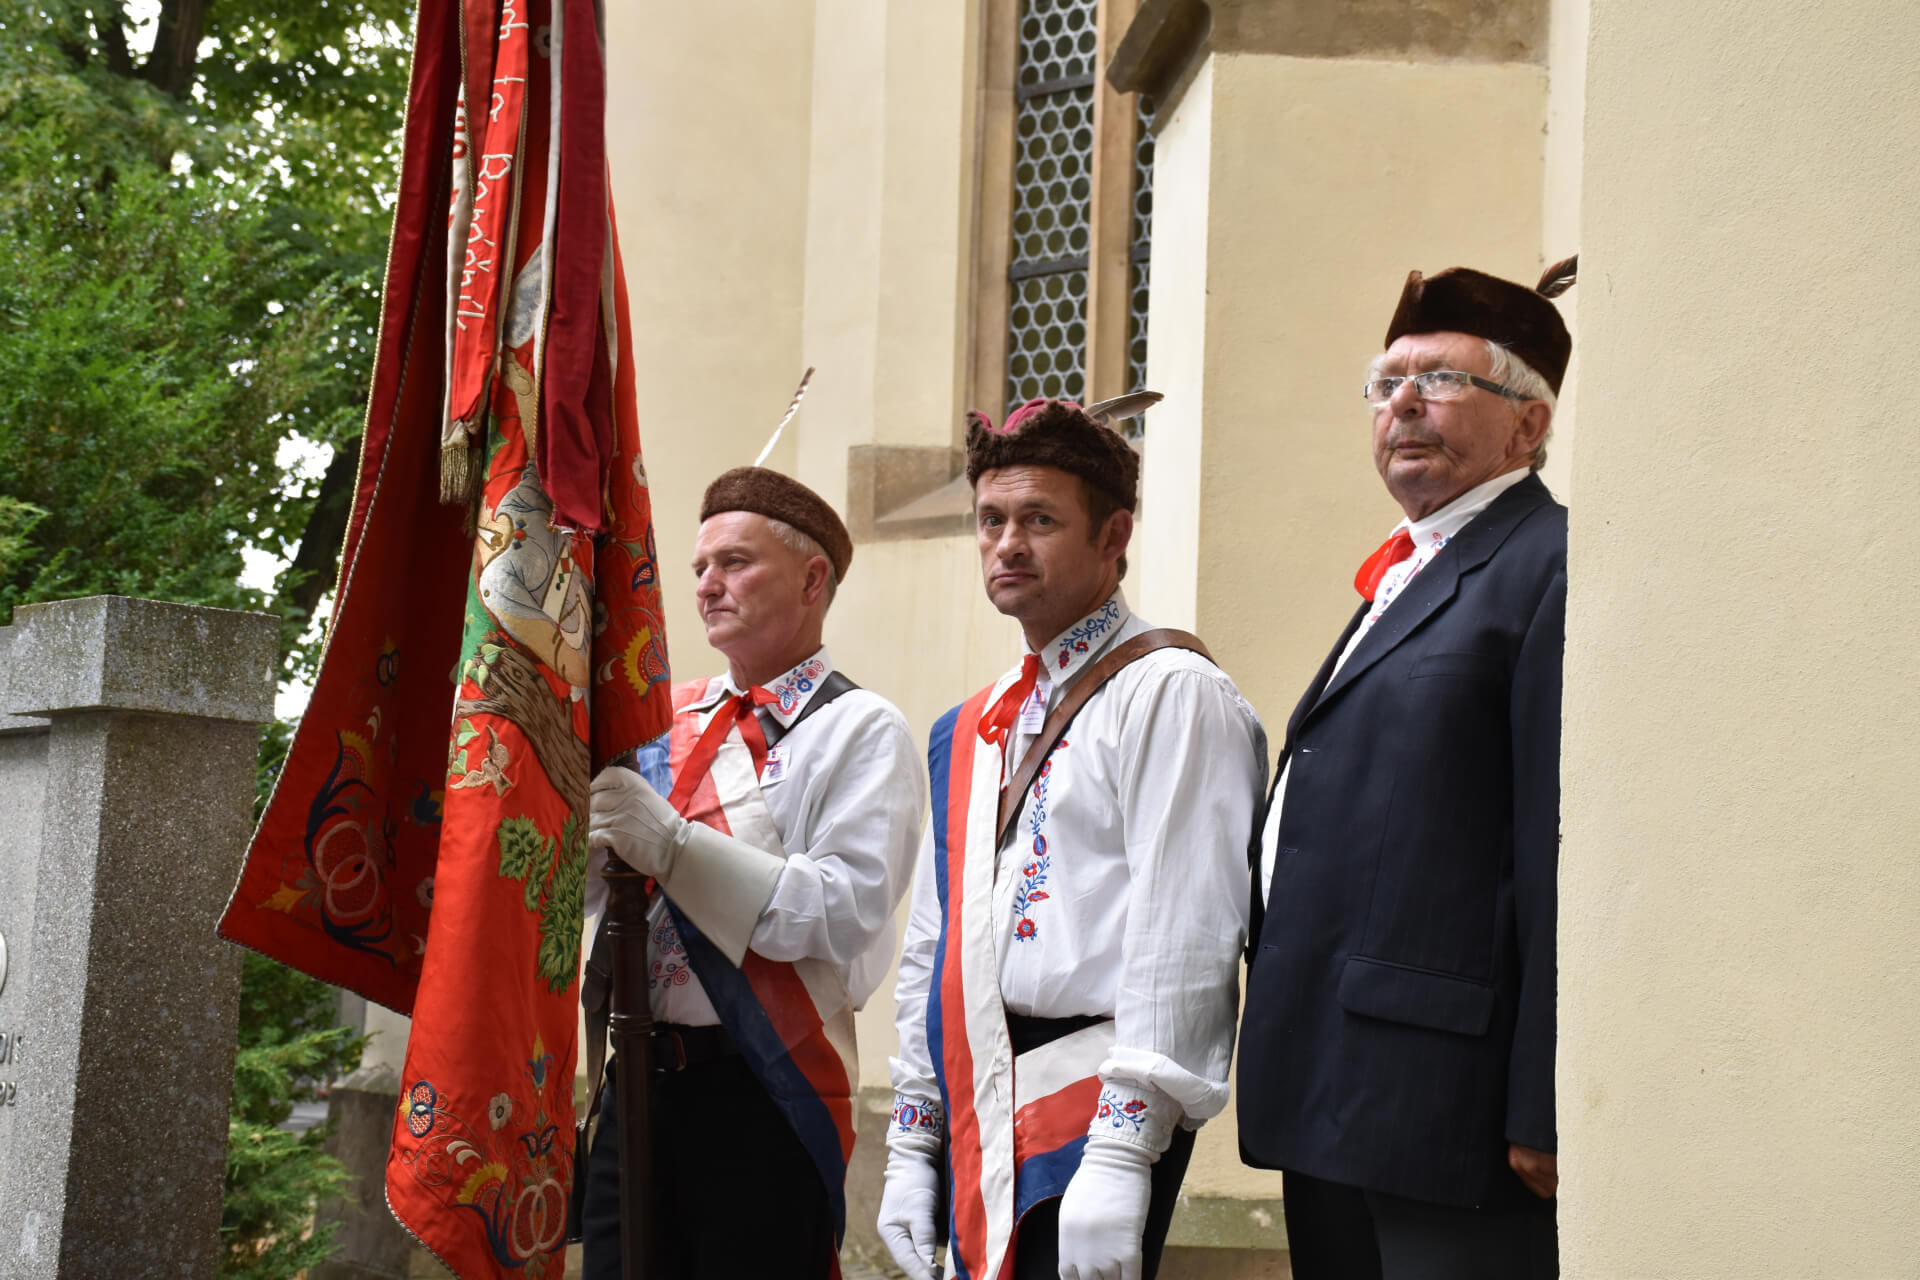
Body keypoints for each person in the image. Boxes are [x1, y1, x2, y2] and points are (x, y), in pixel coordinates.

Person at [1237, 258, 1577, 1279]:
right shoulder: (1407, 567)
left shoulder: (1550, 563)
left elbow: (1554, 845)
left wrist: (1544, 1099)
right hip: (1333, 1082)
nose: (1403, 404)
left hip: (1450, 1110)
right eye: (1386, 383)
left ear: (1528, 424)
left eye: (1441, 379)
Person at [879, 396, 1268, 1280]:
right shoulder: (970, 725)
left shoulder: (1170, 692)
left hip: (1093, 1103)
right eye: (991, 520)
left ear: (1113, 534)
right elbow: (935, 944)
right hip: (980, 1096)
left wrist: (1127, 1146)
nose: (1007, 543)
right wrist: (913, 1137)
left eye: (1040, 519)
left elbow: (1188, 930)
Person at [582, 465, 925, 1278]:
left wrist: (674, 847)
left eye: (734, 562)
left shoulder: (861, 729)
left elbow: (838, 913)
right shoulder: (663, 717)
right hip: (635, 1084)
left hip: (764, 1090)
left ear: (812, 580)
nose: (707, 585)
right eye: (701, 567)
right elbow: (596, 899)